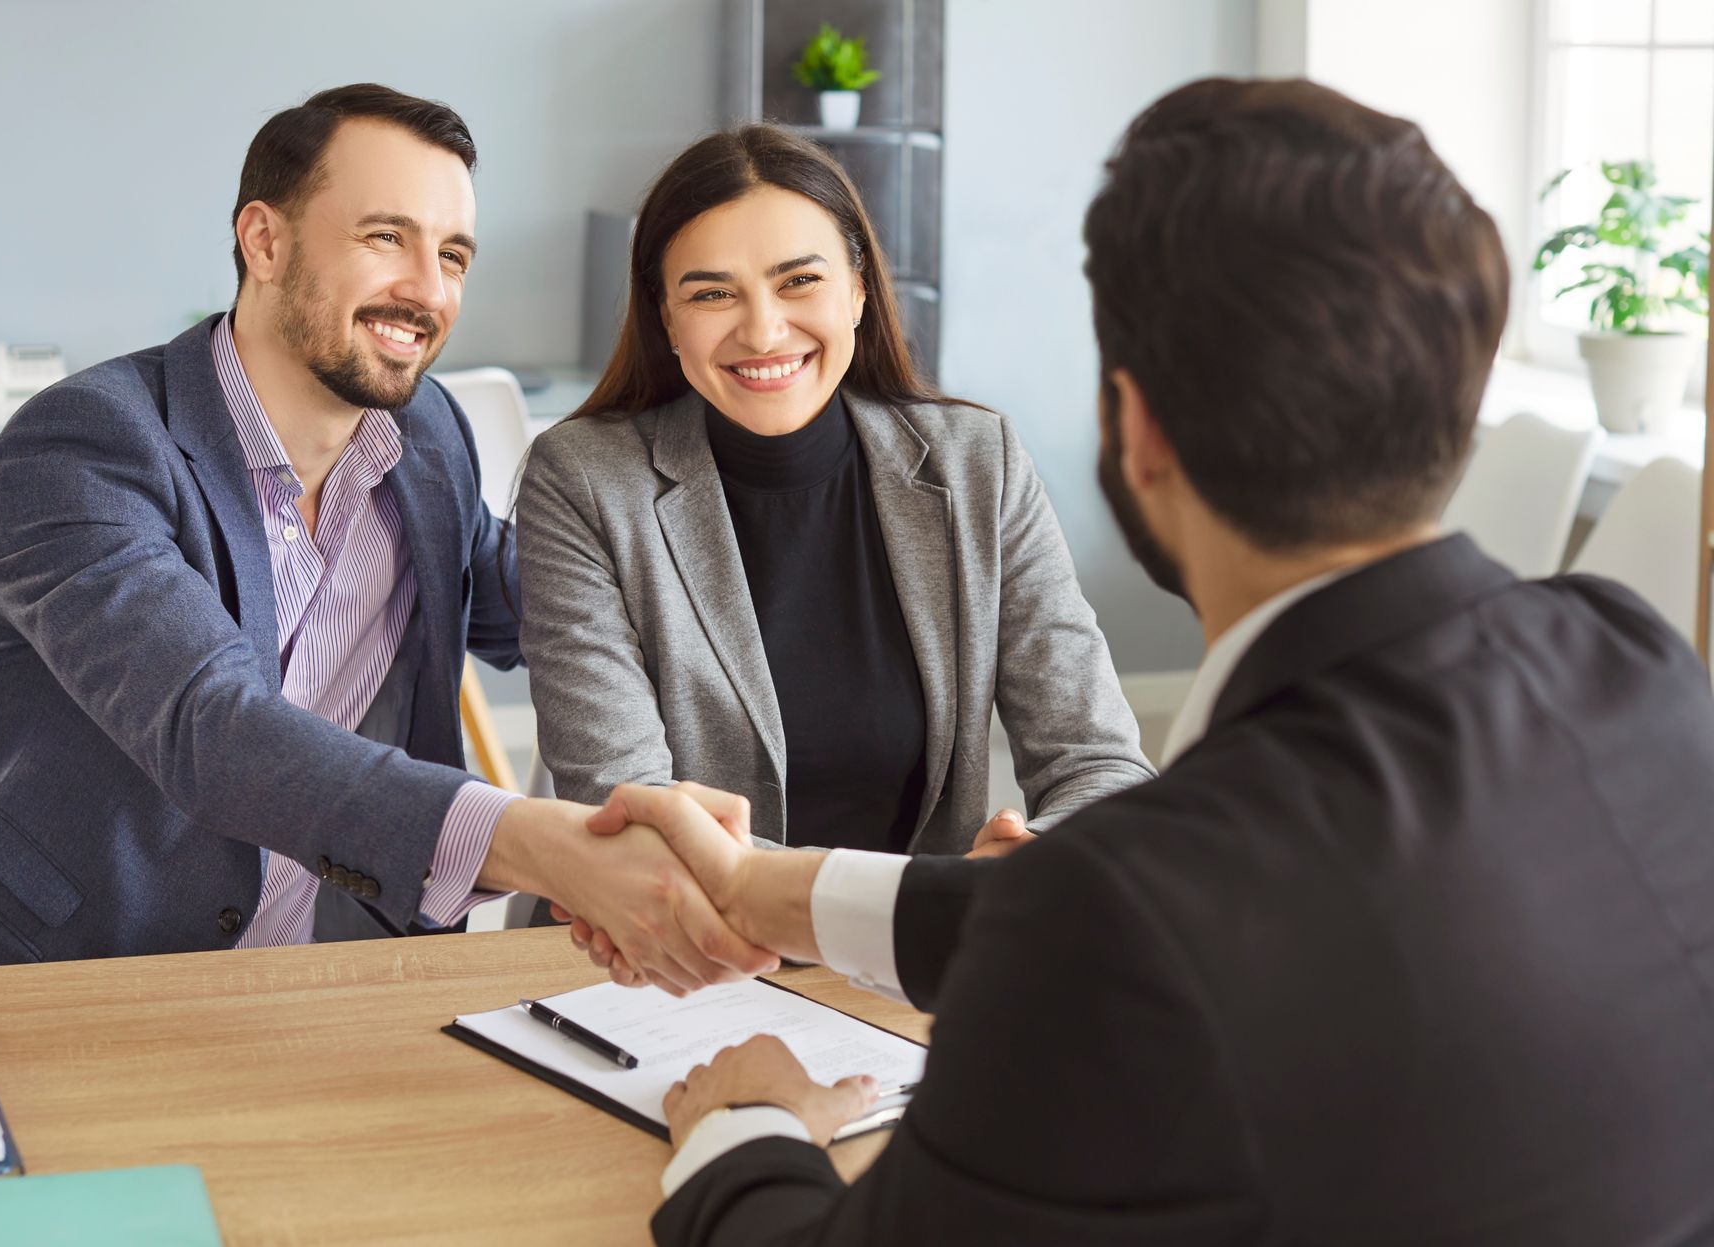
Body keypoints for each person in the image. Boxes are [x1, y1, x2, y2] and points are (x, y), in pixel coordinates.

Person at [566, 79, 1714, 1244]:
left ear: (1137, 431)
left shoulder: (1127, 911)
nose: (763, 326)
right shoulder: (1644, 667)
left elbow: (1113, 902)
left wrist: (742, 1128)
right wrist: (800, 893)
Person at [0, 84, 773, 995]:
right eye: (387, 237)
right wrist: (550, 847)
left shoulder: (428, 438)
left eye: (453, 253)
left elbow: (551, 601)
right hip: (45, 991)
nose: (428, 290)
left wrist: (738, 448)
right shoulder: (81, 447)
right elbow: (215, 732)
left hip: (317, 995)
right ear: (264, 240)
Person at [517, 125, 1152, 859]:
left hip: (907, 959)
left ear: (857, 288)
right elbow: (632, 817)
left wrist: (1029, 857)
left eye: (800, 280)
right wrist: (898, 904)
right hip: (672, 961)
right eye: (713, 292)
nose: (762, 331)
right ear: (667, 319)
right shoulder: (582, 480)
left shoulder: (978, 463)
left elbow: (1100, 762)